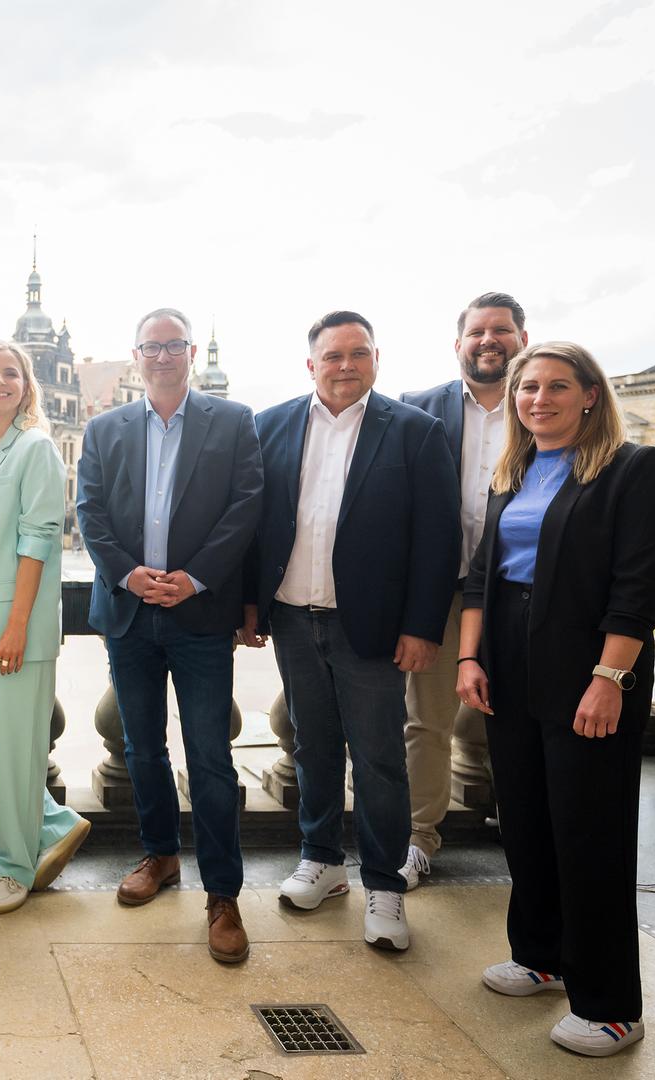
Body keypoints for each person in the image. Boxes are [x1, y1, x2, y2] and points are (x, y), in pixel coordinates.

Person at [456, 341, 655, 1057]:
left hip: (587, 663)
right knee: (524, 818)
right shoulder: (512, 472)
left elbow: (637, 588)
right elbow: (482, 577)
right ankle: (540, 955)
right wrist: (469, 658)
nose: (538, 399)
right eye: (527, 388)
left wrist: (610, 679)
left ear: (589, 395)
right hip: (509, 660)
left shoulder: (630, 469)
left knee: (589, 830)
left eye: (556, 386)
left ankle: (611, 1005)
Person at [244, 310, 457, 953]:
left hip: (371, 625)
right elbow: (253, 524)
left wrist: (421, 627)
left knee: (380, 760)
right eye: (332, 355)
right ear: (311, 364)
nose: (345, 365)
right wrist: (250, 606)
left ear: (375, 360)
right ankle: (322, 860)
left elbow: (438, 539)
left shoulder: (415, 431)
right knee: (311, 746)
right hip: (291, 615)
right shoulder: (269, 425)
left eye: (357, 353)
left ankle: (385, 885)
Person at [76, 307, 264, 964]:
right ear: (136, 355)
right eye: (151, 347)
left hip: (200, 615)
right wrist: (128, 575)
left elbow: (246, 508)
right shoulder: (105, 428)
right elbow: (90, 511)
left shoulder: (233, 421)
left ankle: (223, 893)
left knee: (210, 756)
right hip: (129, 613)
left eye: (173, 345)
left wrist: (195, 579)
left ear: (189, 353)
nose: (162, 356)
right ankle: (159, 855)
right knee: (141, 748)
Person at [0, 341, 89, 914]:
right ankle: (51, 822)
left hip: (13, 621)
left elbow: (39, 538)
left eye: (11, 374)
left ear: (27, 386)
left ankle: (15, 867)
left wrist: (18, 625)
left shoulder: (36, 447)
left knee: (17, 748)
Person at [397, 292, 528, 888]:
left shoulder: (542, 404)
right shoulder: (416, 408)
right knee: (427, 722)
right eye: (477, 332)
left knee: (526, 718)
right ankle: (418, 836)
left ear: (522, 339)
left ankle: (530, 834)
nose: (488, 340)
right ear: (459, 344)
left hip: (522, 592)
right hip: (443, 594)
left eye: (500, 330)